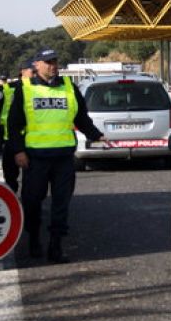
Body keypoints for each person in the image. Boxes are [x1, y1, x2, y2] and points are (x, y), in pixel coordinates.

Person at [7, 48, 104, 263]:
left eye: (55, 62)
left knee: (61, 204)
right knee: (32, 202)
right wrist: (18, 151)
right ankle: (33, 238)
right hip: (35, 158)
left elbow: (81, 117)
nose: (52, 66)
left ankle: (56, 246)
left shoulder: (69, 87)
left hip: (63, 158)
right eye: (47, 62)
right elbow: (13, 124)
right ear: (37, 65)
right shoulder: (26, 90)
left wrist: (96, 135)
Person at [0, 58, 34, 193]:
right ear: (23, 71)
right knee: (11, 175)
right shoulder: (6, 89)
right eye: (33, 71)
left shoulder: (39, 88)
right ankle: (14, 201)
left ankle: (26, 203)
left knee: (30, 177)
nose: (36, 74)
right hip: (11, 139)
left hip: (30, 138)